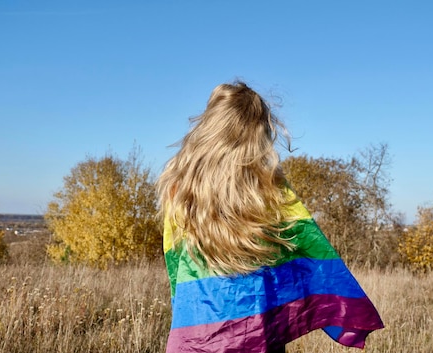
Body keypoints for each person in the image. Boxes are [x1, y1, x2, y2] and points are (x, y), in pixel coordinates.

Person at [157, 81, 383, 353]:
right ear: (257, 132)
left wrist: (182, 310)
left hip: (193, 334)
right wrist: (345, 307)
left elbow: (175, 264)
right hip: (254, 334)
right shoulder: (268, 189)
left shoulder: (177, 187)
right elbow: (311, 246)